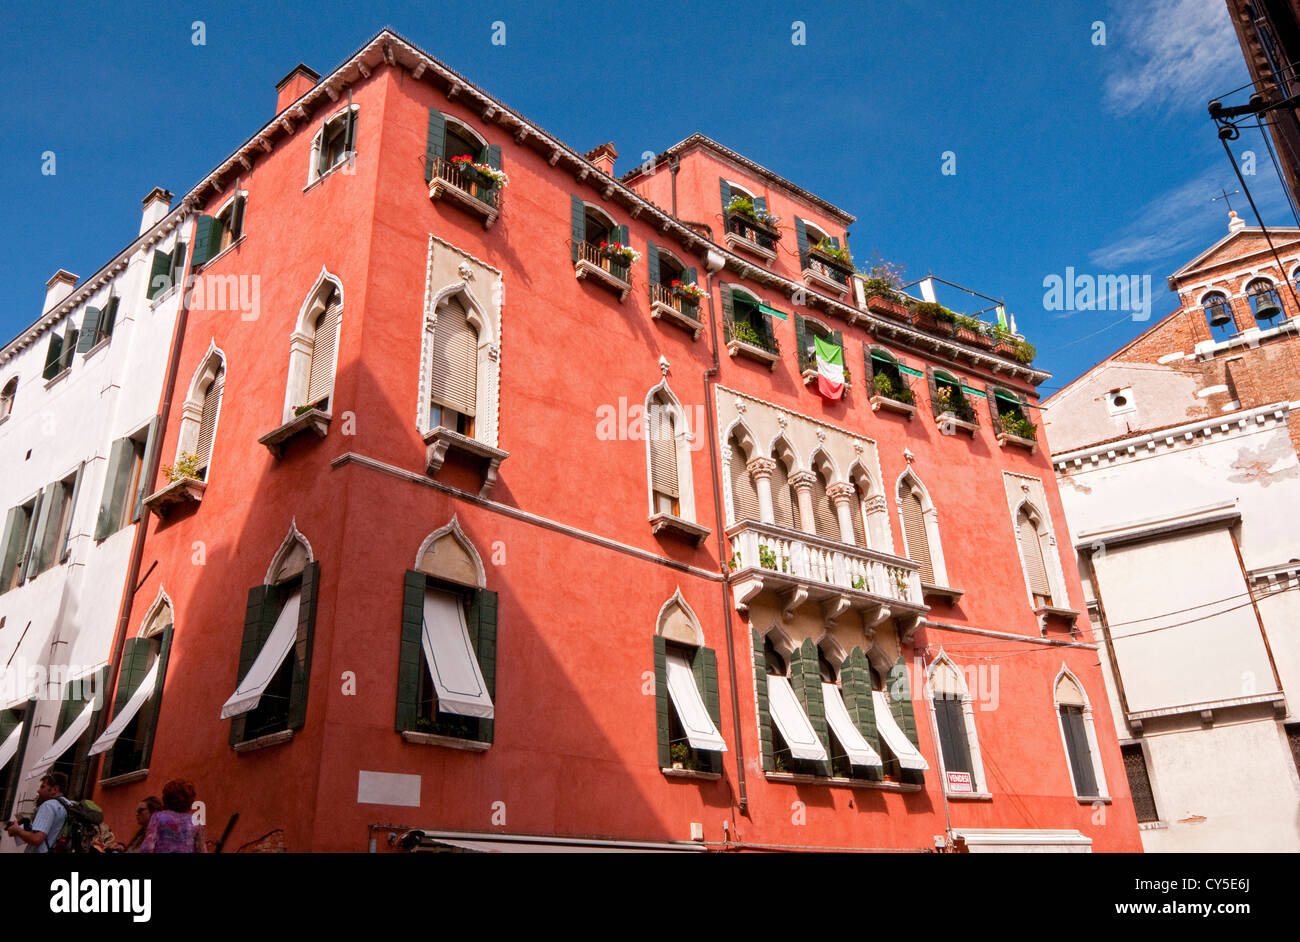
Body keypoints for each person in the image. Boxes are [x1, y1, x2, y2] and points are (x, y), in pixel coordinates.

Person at [5, 772, 69, 853]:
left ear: (55, 789)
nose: (38, 791)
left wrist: (17, 830)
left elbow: (37, 839)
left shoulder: (48, 805)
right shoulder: (67, 805)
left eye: (43, 787)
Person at [139, 779, 205, 853]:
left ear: (166, 798)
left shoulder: (158, 817)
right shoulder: (196, 821)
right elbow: (202, 850)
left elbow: (147, 848)